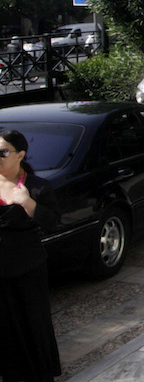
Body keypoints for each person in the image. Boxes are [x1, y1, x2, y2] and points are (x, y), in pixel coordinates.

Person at [0, 129, 62, 382]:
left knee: (33, 320)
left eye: (3, 152)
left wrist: (28, 203)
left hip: (28, 266)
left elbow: (53, 222)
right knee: (5, 323)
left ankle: (40, 373)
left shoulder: (37, 187)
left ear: (20, 155)